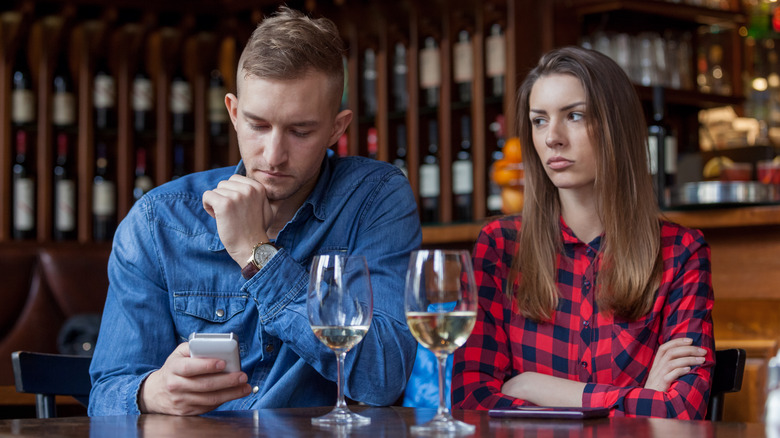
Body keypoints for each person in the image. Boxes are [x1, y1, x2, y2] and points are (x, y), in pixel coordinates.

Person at [88, 6, 421, 416]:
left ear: (337, 128)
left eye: (301, 131)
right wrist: (151, 392)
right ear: (232, 112)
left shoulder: (374, 199)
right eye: (257, 125)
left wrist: (257, 254)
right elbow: (105, 394)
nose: (273, 155)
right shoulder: (159, 221)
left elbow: (384, 377)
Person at [451, 46, 714, 419]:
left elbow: (681, 411)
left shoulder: (680, 252)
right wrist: (638, 398)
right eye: (539, 120)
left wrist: (531, 385)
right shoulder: (499, 246)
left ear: (616, 128)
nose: (552, 138)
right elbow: (471, 401)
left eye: (574, 116)